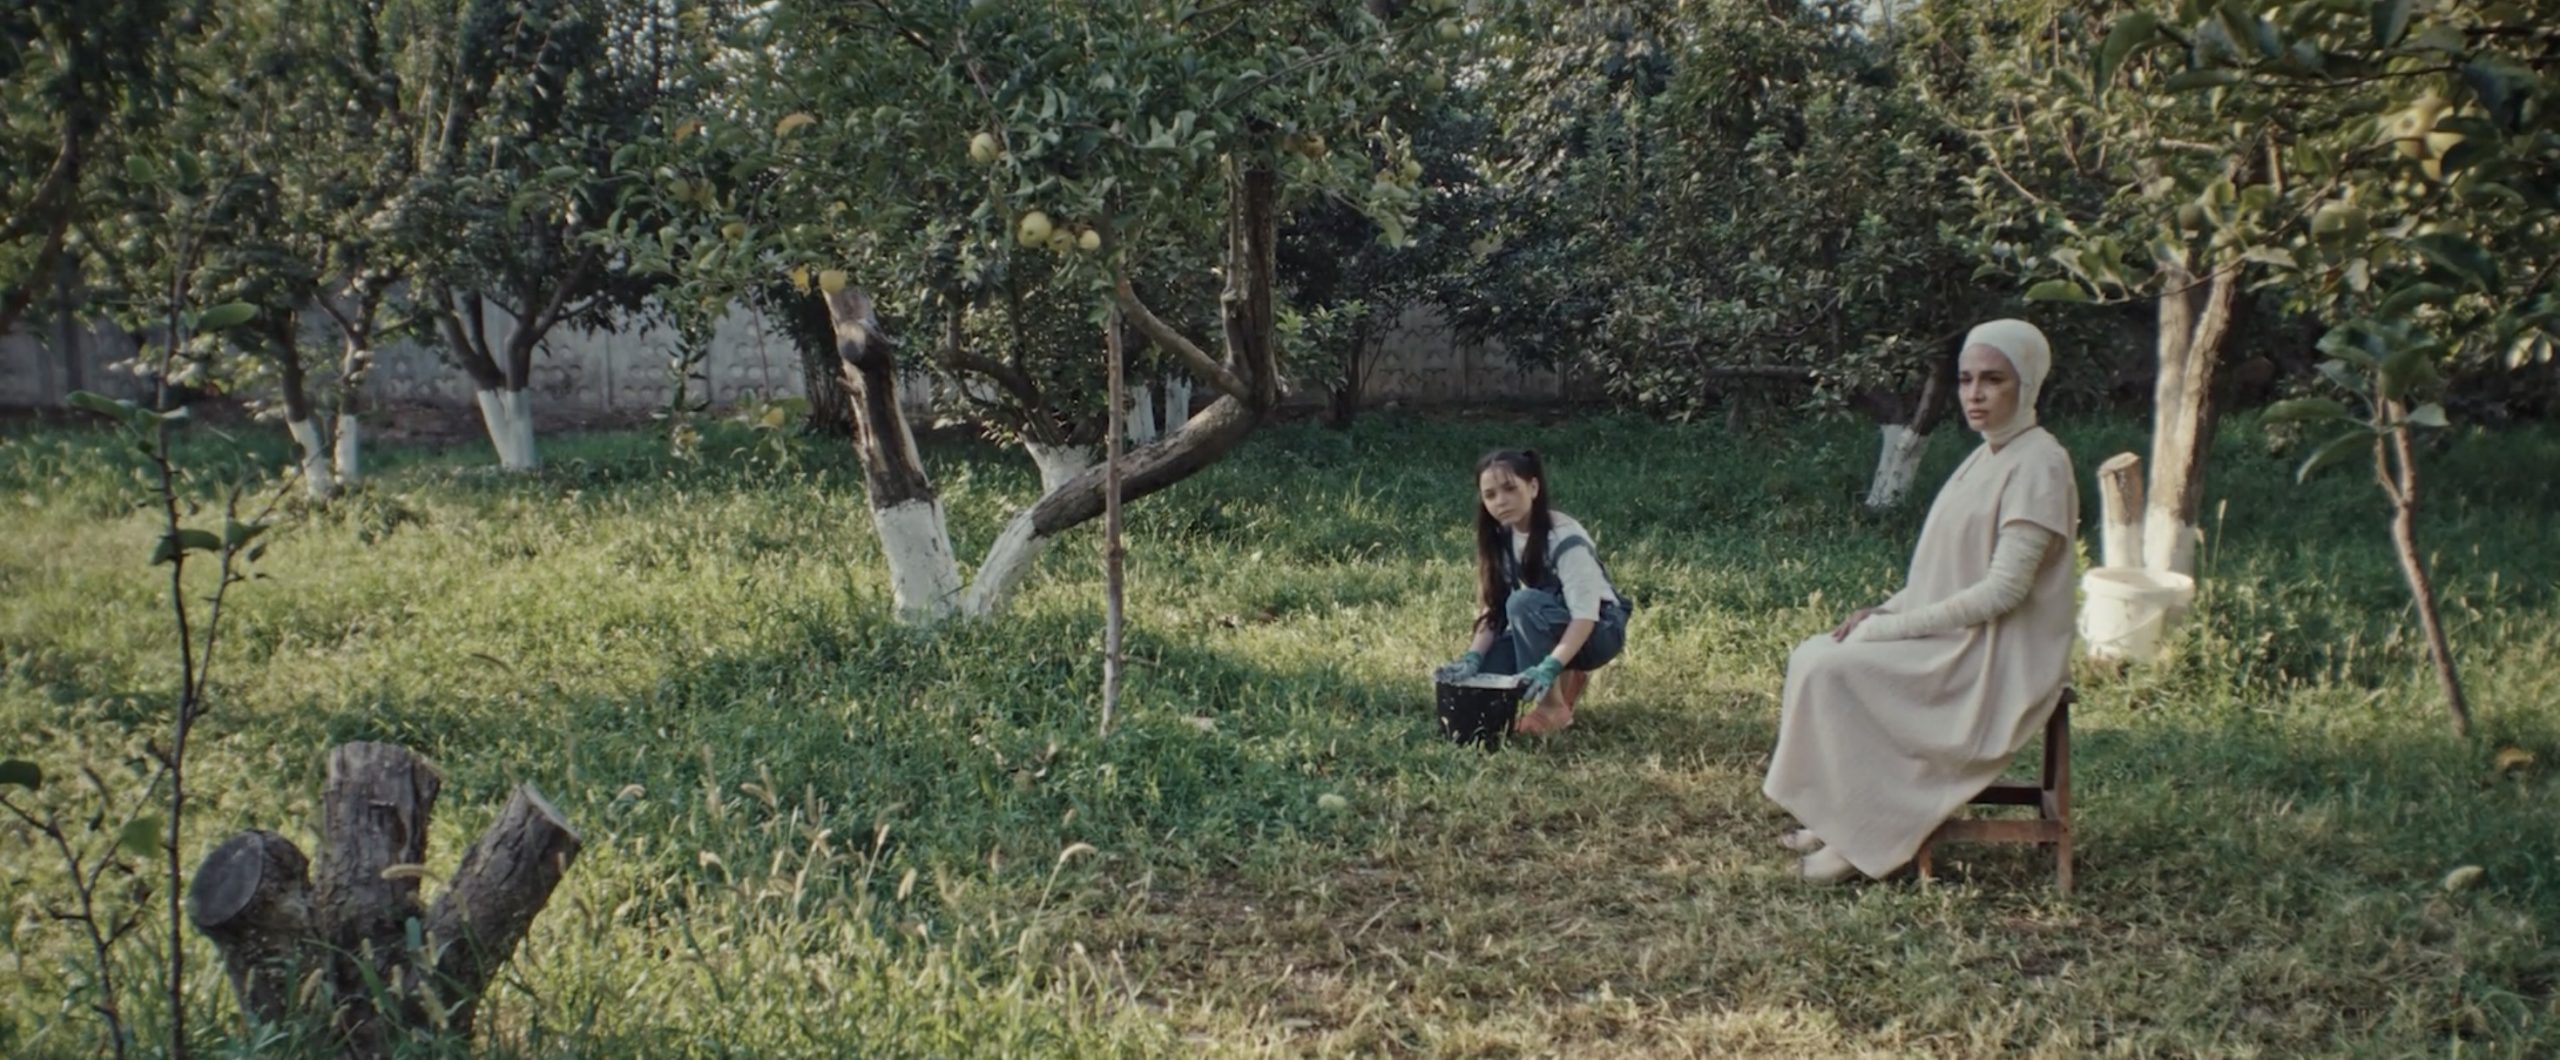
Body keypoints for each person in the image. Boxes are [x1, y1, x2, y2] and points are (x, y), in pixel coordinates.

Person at [1762, 319, 2080, 883]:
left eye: (1992, 380)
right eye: (1965, 380)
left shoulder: (2040, 464)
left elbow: (2002, 592)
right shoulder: (1988, 455)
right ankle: (1843, 815)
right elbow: (1945, 573)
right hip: (1964, 634)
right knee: (1815, 655)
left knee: (1836, 671)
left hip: (1996, 655)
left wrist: (1896, 631)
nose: (1974, 395)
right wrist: (1886, 611)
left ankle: (1864, 839)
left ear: (2026, 383)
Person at [1433, 449, 1630, 735]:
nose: (1501, 501)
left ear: (1533, 487)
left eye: (1510, 488)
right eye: (1490, 495)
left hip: (1599, 629)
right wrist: (1472, 659)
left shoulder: (1565, 538)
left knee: (1524, 603)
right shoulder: (1502, 536)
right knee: (1486, 674)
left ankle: (1552, 709)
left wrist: (1549, 666)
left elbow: (1585, 617)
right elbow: (1494, 609)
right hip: (1556, 620)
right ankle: (1568, 677)